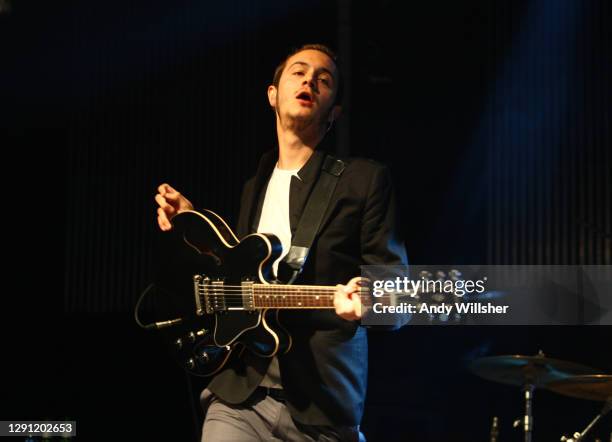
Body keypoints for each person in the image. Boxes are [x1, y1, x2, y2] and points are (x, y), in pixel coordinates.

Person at [154, 44, 408, 442]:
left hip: (320, 404)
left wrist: (369, 301)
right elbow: (235, 274)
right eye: (299, 72)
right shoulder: (252, 187)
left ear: (334, 113)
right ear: (273, 95)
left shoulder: (363, 180)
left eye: (324, 80)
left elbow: (397, 295)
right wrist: (191, 222)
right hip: (240, 394)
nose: (309, 81)